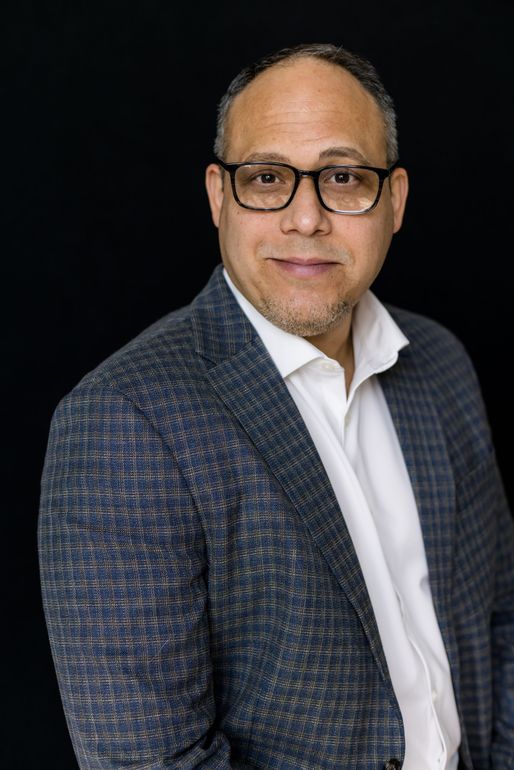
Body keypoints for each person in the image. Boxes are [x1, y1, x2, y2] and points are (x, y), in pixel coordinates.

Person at [38, 43, 514, 770]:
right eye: (267, 178)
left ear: (395, 200)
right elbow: (151, 761)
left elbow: (501, 623)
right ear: (217, 196)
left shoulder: (441, 363)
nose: (305, 219)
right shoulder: (125, 422)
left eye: (343, 176)